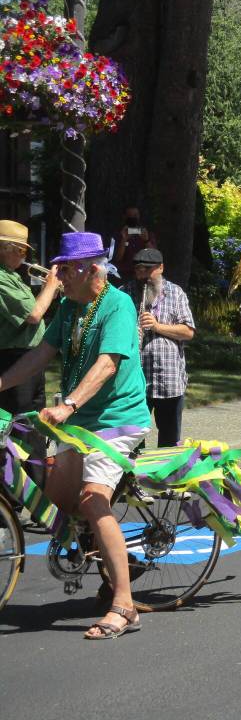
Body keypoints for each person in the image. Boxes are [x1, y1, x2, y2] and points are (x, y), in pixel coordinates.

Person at [0, 231, 151, 639]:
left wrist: (69, 405)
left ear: (90, 267)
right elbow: (39, 355)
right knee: (58, 502)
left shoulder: (117, 305)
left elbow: (107, 364)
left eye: (64, 268)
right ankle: (116, 557)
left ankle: (124, 604)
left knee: (91, 499)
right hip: (81, 422)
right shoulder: (69, 307)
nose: (58, 276)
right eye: (59, 268)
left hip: (118, 419)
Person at [0, 220, 61, 473]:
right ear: (4, 248)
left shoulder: (14, 276)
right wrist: (50, 286)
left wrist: (52, 291)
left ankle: (37, 488)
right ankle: (15, 493)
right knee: (20, 427)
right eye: (21, 251)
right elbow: (34, 315)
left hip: (32, 358)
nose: (25, 257)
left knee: (36, 425)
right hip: (14, 359)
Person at [126, 248, 195, 447]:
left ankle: (165, 478)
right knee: (132, 438)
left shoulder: (175, 293)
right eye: (139, 270)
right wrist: (131, 332)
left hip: (168, 379)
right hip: (134, 380)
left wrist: (157, 326)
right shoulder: (125, 292)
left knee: (169, 440)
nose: (143, 275)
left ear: (161, 268)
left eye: (148, 270)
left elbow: (188, 332)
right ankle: (132, 477)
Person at [112, 206, 154, 281]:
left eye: (135, 215)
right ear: (125, 217)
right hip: (123, 275)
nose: (133, 218)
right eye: (130, 216)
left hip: (143, 275)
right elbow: (117, 258)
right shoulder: (118, 235)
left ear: (139, 216)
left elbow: (154, 256)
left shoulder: (146, 233)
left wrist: (146, 241)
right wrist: (124, 239)